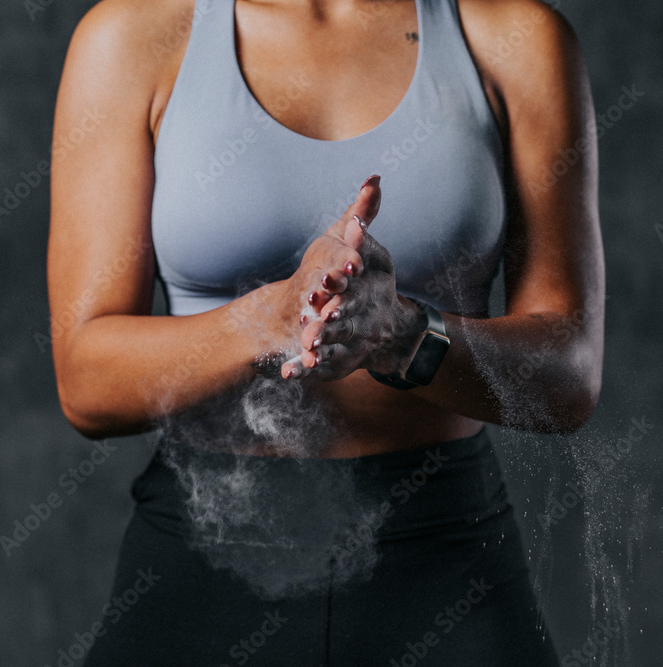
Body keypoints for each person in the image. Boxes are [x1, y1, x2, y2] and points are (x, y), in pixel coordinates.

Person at [47, 0, 603, 663]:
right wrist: (266, 320)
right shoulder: (133, 35)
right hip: (200, 565)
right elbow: (85, 381)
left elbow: (568, 376)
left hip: (444, 555)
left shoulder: (513, 37)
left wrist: (404, 334)